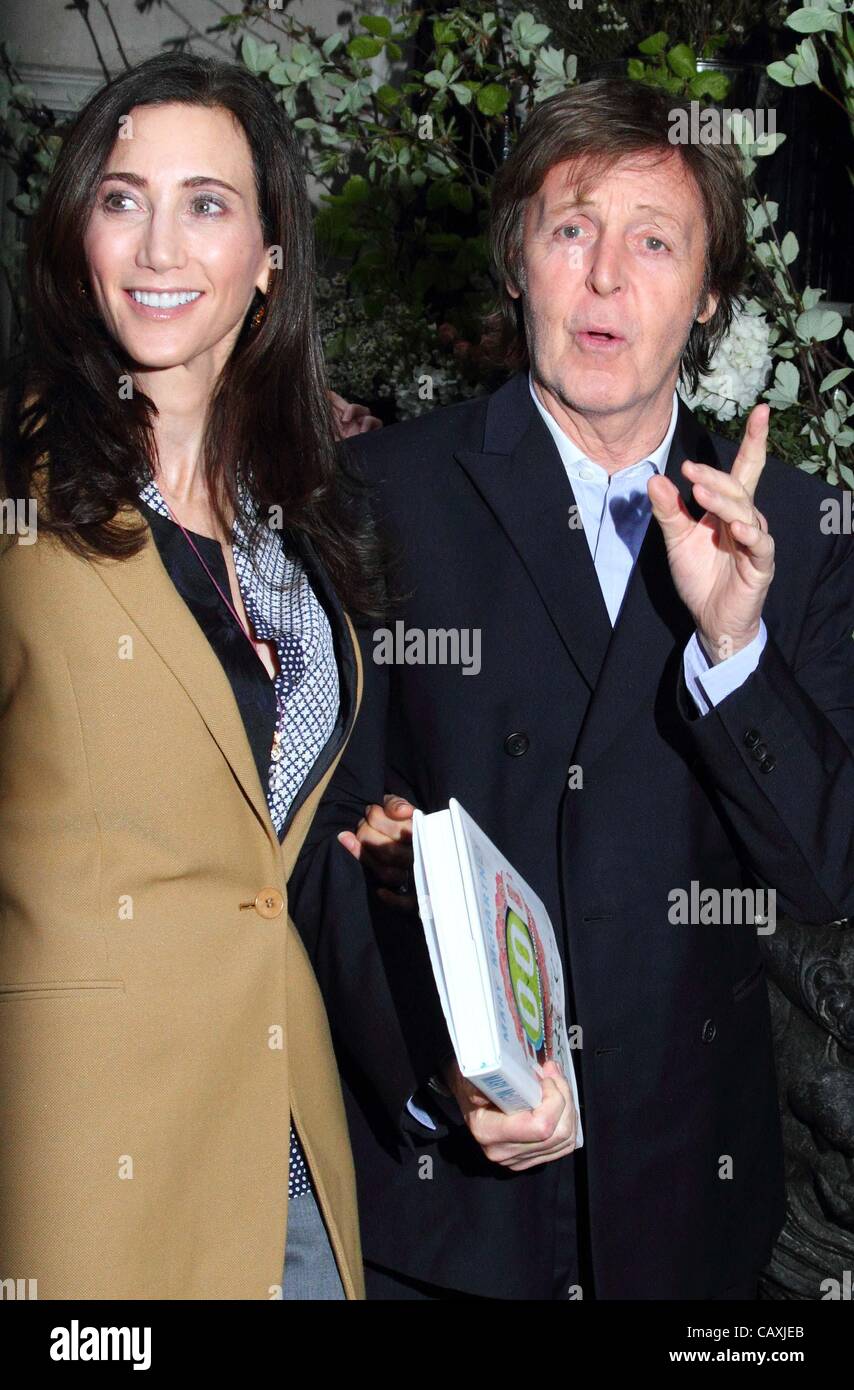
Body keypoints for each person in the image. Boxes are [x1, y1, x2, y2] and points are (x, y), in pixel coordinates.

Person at [288, 77, 854, 1300]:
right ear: (515, 265)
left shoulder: (797, 528)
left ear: (707, 298)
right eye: (568, 230)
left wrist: (732, 648)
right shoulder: (380, 494)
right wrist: (438, 1085)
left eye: (654, 241)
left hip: (688, 1210)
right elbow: (323, 852)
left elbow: (822, 867)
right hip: (453, 1224)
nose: (605, 279)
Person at [0, 52, 381, 1299]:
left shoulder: (298, 517)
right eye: (122, 198)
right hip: (82, 1158)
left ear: (269, 257)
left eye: (207, 203)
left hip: (285, 1146)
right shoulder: (20, 487)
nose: (158, 244)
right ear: (77, 231)